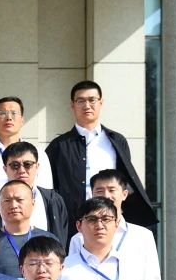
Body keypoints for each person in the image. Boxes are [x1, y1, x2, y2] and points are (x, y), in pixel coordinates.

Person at [44, 80, 156, 226]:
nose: (87, 105)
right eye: (80, 101)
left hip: (109, 220)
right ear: (72, 105)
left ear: (101, 103)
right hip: (72, 221)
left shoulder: (116, 141)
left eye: (92, 100)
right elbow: (49, 187)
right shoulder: (58, 146)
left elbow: (124, 180)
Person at [0, 142, 71, 245]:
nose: (21, 170)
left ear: (37, 167)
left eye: (28, 165)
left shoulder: (53, 200)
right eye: (15, 166)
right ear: (5, 169)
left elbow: (61, 241)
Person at [0, 96, 56, 200]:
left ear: (22, 120)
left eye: (14, 113)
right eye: (2, 113)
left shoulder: (39, 155)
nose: (9, 117)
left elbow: (46, 193)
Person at [0, 180, 56, 279]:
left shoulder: (48, 239)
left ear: (33, 204)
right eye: (7, 200)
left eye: (19, 200)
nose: (13, 205)